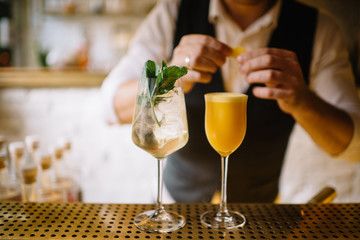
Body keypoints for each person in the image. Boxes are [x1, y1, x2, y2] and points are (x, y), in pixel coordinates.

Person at [101, 0, 360, 203]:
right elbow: (110, 106)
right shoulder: (173, 11)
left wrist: (303, 101)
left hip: (258, 215)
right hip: (175, 210)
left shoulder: (319, 28)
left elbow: (354, 147)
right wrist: (172, 73)